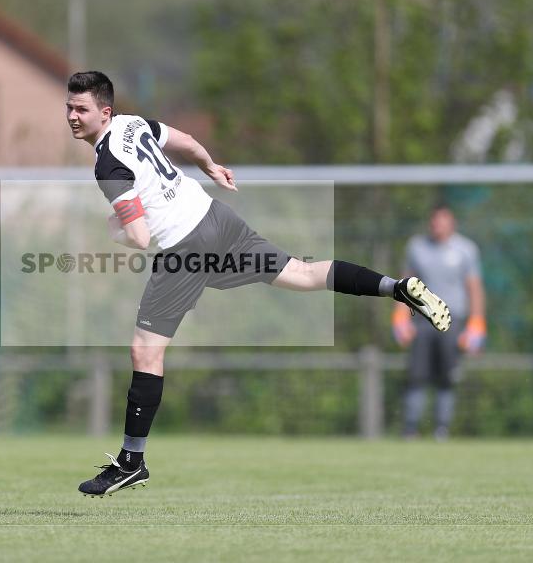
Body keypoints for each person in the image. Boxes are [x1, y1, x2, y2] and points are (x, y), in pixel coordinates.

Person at [65, 71, 451, 497]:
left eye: (81, 109)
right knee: (302, 275)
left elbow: (138, 237)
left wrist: (113, 231)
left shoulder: (106, 164)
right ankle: (395, 287)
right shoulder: (134, 123)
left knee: (145, 350)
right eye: (68, 107)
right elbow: (188, 141)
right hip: (216, 217)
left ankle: (131, 461)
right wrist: (210, 165)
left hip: (184, 247)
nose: (72, 116)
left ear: (105, 111)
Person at [392, 204, 486, 440]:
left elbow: (474, 288)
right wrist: (400, 317)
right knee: (416, 375)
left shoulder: (466, 250)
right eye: (434, 220)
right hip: (422, 320)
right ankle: (411, 429)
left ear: (452, 222)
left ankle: (441, 429)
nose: (437, 225)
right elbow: (405, 284)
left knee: (447, 377)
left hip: (453, 322)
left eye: (442, 220)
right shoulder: (416, 247)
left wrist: (477, 324)